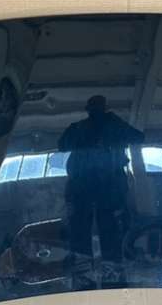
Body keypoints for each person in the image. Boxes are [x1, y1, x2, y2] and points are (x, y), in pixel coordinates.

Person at [58, 95, 144, 282]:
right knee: (93, 224)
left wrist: (115, 126)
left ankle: (98, 269)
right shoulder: (84, 127)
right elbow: (62, 145)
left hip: (97, 185)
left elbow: (138, 138)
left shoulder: (86, 127)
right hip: (96, 185)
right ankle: (96, 269)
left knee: (100, 224)